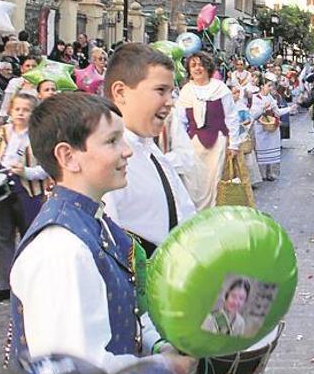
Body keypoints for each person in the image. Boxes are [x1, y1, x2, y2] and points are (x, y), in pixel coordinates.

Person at [10, 92, 195, 374]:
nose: (127, 151)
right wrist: (163, 367)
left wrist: (158, 347)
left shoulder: (96, 221)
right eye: (112, 141)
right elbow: (75, 373)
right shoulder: (61, 249)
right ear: (67, 156)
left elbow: (126, 312)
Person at [101, 43, 197, 257]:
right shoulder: (106, 162)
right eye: (160, 90)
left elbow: (183, 214)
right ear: (120, 92)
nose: (170, 102)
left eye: (171, 92)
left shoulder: (149, 149)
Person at [0, 93, 48, 304]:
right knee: (2, 236)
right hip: (2, 187)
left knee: (30, 237)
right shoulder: (3, 132)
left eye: (26, 110)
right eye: (17, 109)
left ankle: (36, 281)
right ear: (11, 111)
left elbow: (46, 169)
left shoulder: (38, 134)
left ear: (34, 113)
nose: (21, 114)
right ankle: (1, 285)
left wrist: (26, 172)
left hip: (29, 190)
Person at [176, 52, 240, 209]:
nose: (197, 68)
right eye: (193, 65)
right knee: (193, 182)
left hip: (217, 142)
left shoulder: (220, 89)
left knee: (214, 181)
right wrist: (180, 144)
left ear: (208, 67)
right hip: (194, 145)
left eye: (200, 64)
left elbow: (231, 117)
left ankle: (211, 215)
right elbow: (180, 120)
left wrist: (234, 144)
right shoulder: (186, 91)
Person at [251, 80, 293, 181]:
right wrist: (263, 107)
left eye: (271, 86)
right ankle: (262, 174)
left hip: (272, 128)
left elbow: (277, 112)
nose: (270, 88)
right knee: (261, 150)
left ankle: (271, 173)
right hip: (261, 128)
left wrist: (289, 109)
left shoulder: (271, 98)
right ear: (261, 86)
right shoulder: (255, 98)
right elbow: (253, 114)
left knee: (272, 150)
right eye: (268, 86)